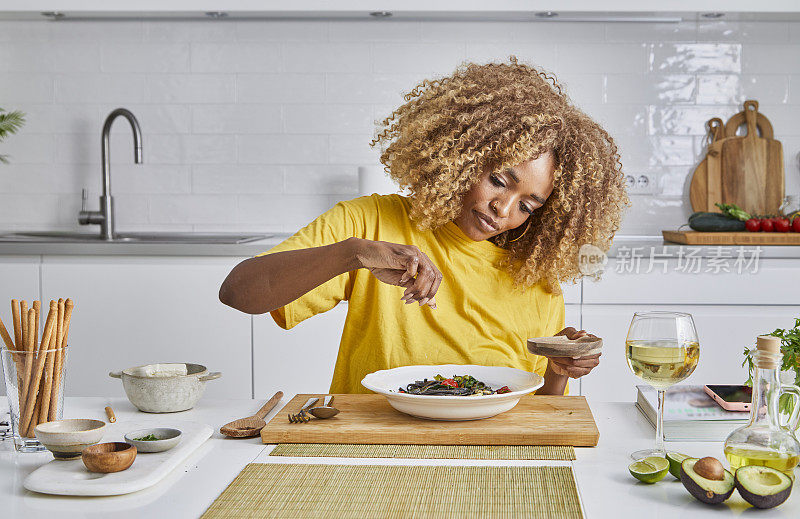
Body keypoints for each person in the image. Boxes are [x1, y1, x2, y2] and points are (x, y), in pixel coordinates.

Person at [220, 56, 629, 395]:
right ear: (461, 155)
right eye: (498, 180)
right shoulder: (371, 222)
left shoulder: (535, 278)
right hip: (372, 445)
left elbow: (539, 411)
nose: (502, 209)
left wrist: (560, 369)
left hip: (486, 459)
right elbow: (238, 292)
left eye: (527, 205)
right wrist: (354, 253)